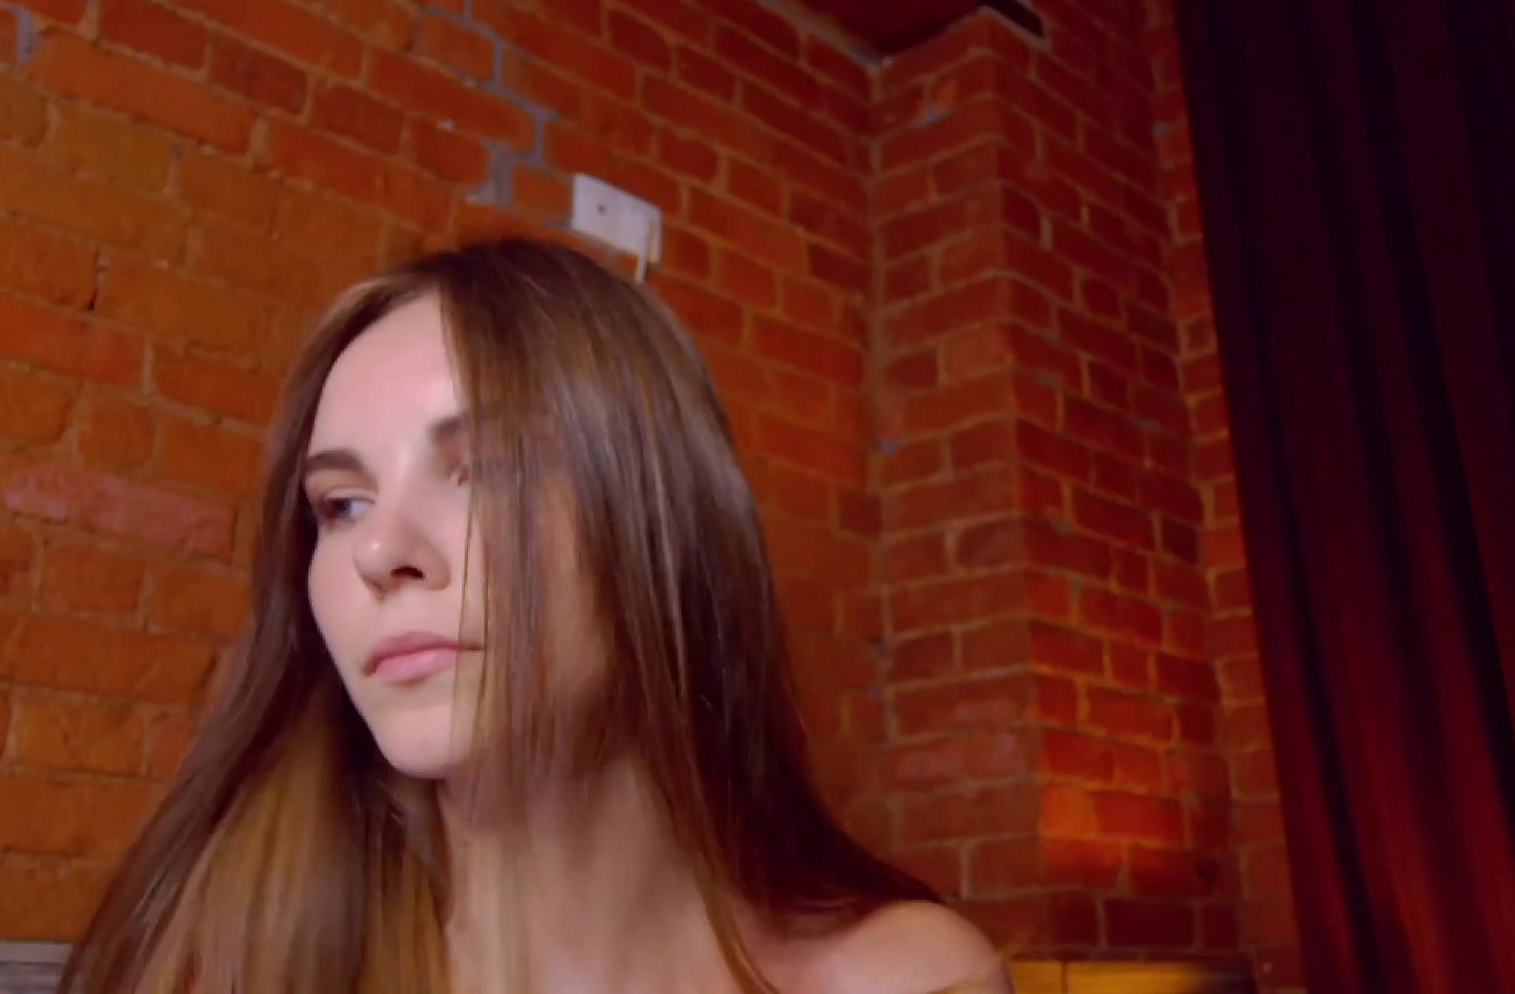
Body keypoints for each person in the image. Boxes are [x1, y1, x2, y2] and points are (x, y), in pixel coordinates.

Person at [57, 236, 1013, 993]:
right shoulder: (219, 962)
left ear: (660, 518)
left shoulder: (910, 977)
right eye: (340, 505)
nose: (380, 552)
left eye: (487, 468)